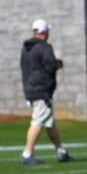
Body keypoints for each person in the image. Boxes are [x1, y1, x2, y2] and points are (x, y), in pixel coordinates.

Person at [18, 19, 73, 165]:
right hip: (41, 90)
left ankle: (61, 151)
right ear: (44, 32)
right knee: (38, 121)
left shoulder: (26, 48)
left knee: (49, 123)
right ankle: (27, 153)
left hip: (30, 88)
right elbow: (49, 66)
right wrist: (58, 64)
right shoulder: (45, 47)